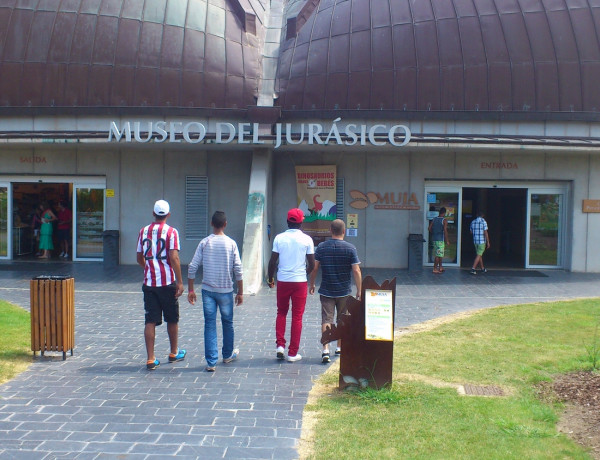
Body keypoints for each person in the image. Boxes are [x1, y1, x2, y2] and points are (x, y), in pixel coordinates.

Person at [187, 211, 243, 372]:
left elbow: (192, 266)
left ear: (212, 223)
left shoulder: (205, 243)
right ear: (225, 224)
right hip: (226, 290)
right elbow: (238, 269)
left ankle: (211, 362)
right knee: (228, 323)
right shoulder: (231, 243)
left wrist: (191, 289)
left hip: (208, 290)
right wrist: (240, 291)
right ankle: (227, 355)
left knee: (209, 324)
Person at [136, 200, 186, 370]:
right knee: (172, 318)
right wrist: (180, 281)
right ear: (168, 215)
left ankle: (150, 358)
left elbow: (139, 257)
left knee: (150, 320)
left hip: (149, 283)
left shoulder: (143, 231)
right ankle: (173, 352)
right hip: (167, 282)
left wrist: (149, 267)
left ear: (153, 213)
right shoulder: (172, 232)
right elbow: (174, 258)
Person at [309, 219, 361, 363]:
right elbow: (356, 270)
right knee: (342, 319)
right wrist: (359, 289)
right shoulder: (350, 248)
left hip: (326, 290)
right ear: (344, 231)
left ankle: (325, 350)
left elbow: (315, 268)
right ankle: (339, 347)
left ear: (330, 230)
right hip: (344, 291)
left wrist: (312, 284)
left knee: (327, 319)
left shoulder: (321, 247)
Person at [267, 208, 315, 362]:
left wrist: (270, 278)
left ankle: (280, 345)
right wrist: (304, 273)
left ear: (287, 221)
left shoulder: (279, 238)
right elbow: (312, 264)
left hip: (283, 281)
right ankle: (292, 353)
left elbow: (273, 261)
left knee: (281, 312)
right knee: (297, 317)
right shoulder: (307, 239)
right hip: (300, 282)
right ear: (302, 222)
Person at [428, 207, 449, 274]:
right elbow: (445, 231)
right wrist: (447, 240)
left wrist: (433, 232)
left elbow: (429, 228)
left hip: (434, 238)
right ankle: (435, 268)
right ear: (444, 213)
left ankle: (440, 267)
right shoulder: (444, 220)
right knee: (438, 254)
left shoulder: (434, 219)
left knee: (440, 254)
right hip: (440, 239)